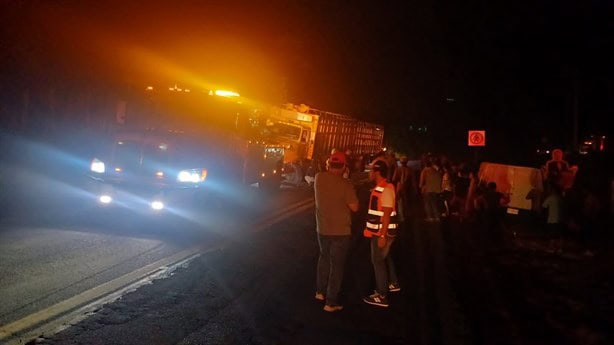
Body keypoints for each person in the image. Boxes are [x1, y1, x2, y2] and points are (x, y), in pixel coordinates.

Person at [314, 151, 359, 312]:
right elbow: (355, 207)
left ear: (329, 164)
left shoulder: (319, 178)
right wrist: (346, 180)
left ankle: (320, 292)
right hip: (340, 231)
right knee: (337, 266)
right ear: (344, 167)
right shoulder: (345, 184)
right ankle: (331, 302)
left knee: (324, 258)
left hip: (323, 229)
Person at [362, 159, 400, 308]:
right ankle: (393, 283)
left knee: (378, 260)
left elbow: (386, 213)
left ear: (377, 172)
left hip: (382, 232)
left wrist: (383, 236)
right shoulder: (382, 187)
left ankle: (381, 295)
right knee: (385, 257)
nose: (370, 173)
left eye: (371, 170)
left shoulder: (386, 189)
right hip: (381, 231)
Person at [542, 182, 565, 253]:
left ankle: (551, 248)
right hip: (560, 220)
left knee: (552, 235)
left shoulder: (551, 198)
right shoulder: (561, 198)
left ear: (553, 190)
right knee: (558, 235)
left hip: (552, 219)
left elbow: (544, 206)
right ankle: (559, 249)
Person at [419, 154, 442, 222]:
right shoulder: (435, 170)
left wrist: (420, 187)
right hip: (435, 189)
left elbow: (421, 182)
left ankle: (430, 217)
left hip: (427, 189)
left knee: (427, 204)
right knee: (434, 203)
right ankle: (437, 216)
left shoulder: (424, 171)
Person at [392, 155, 415, 222]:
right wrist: (414, 188)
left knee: (400, 203)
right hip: (407, 187)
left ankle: (401, 217)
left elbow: (394, 179)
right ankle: (407, 215)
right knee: (407, 202)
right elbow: (413, 180)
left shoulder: (398, 169)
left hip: (399, 187)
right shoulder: (410, 170)